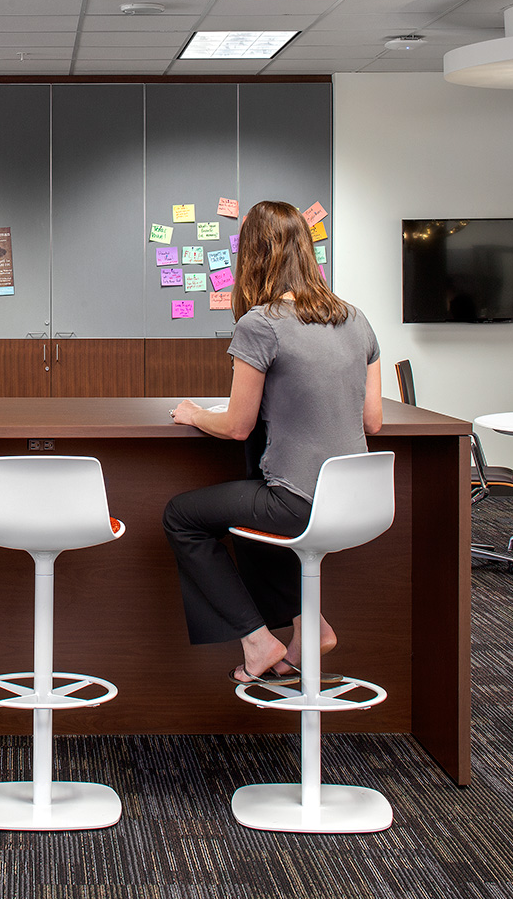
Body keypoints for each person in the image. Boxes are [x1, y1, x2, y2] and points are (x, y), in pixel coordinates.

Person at [162, 201, 382, 685]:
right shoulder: (356, 318)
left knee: (183, 517)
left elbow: (237, 425)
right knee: (252, 498)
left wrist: (194, 413)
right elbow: (374, 420)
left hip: (300, 503)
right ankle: (310, 625)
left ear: (254, 258)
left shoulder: (260, 323)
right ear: (306, 251)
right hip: (359, 501)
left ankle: (259, 642)